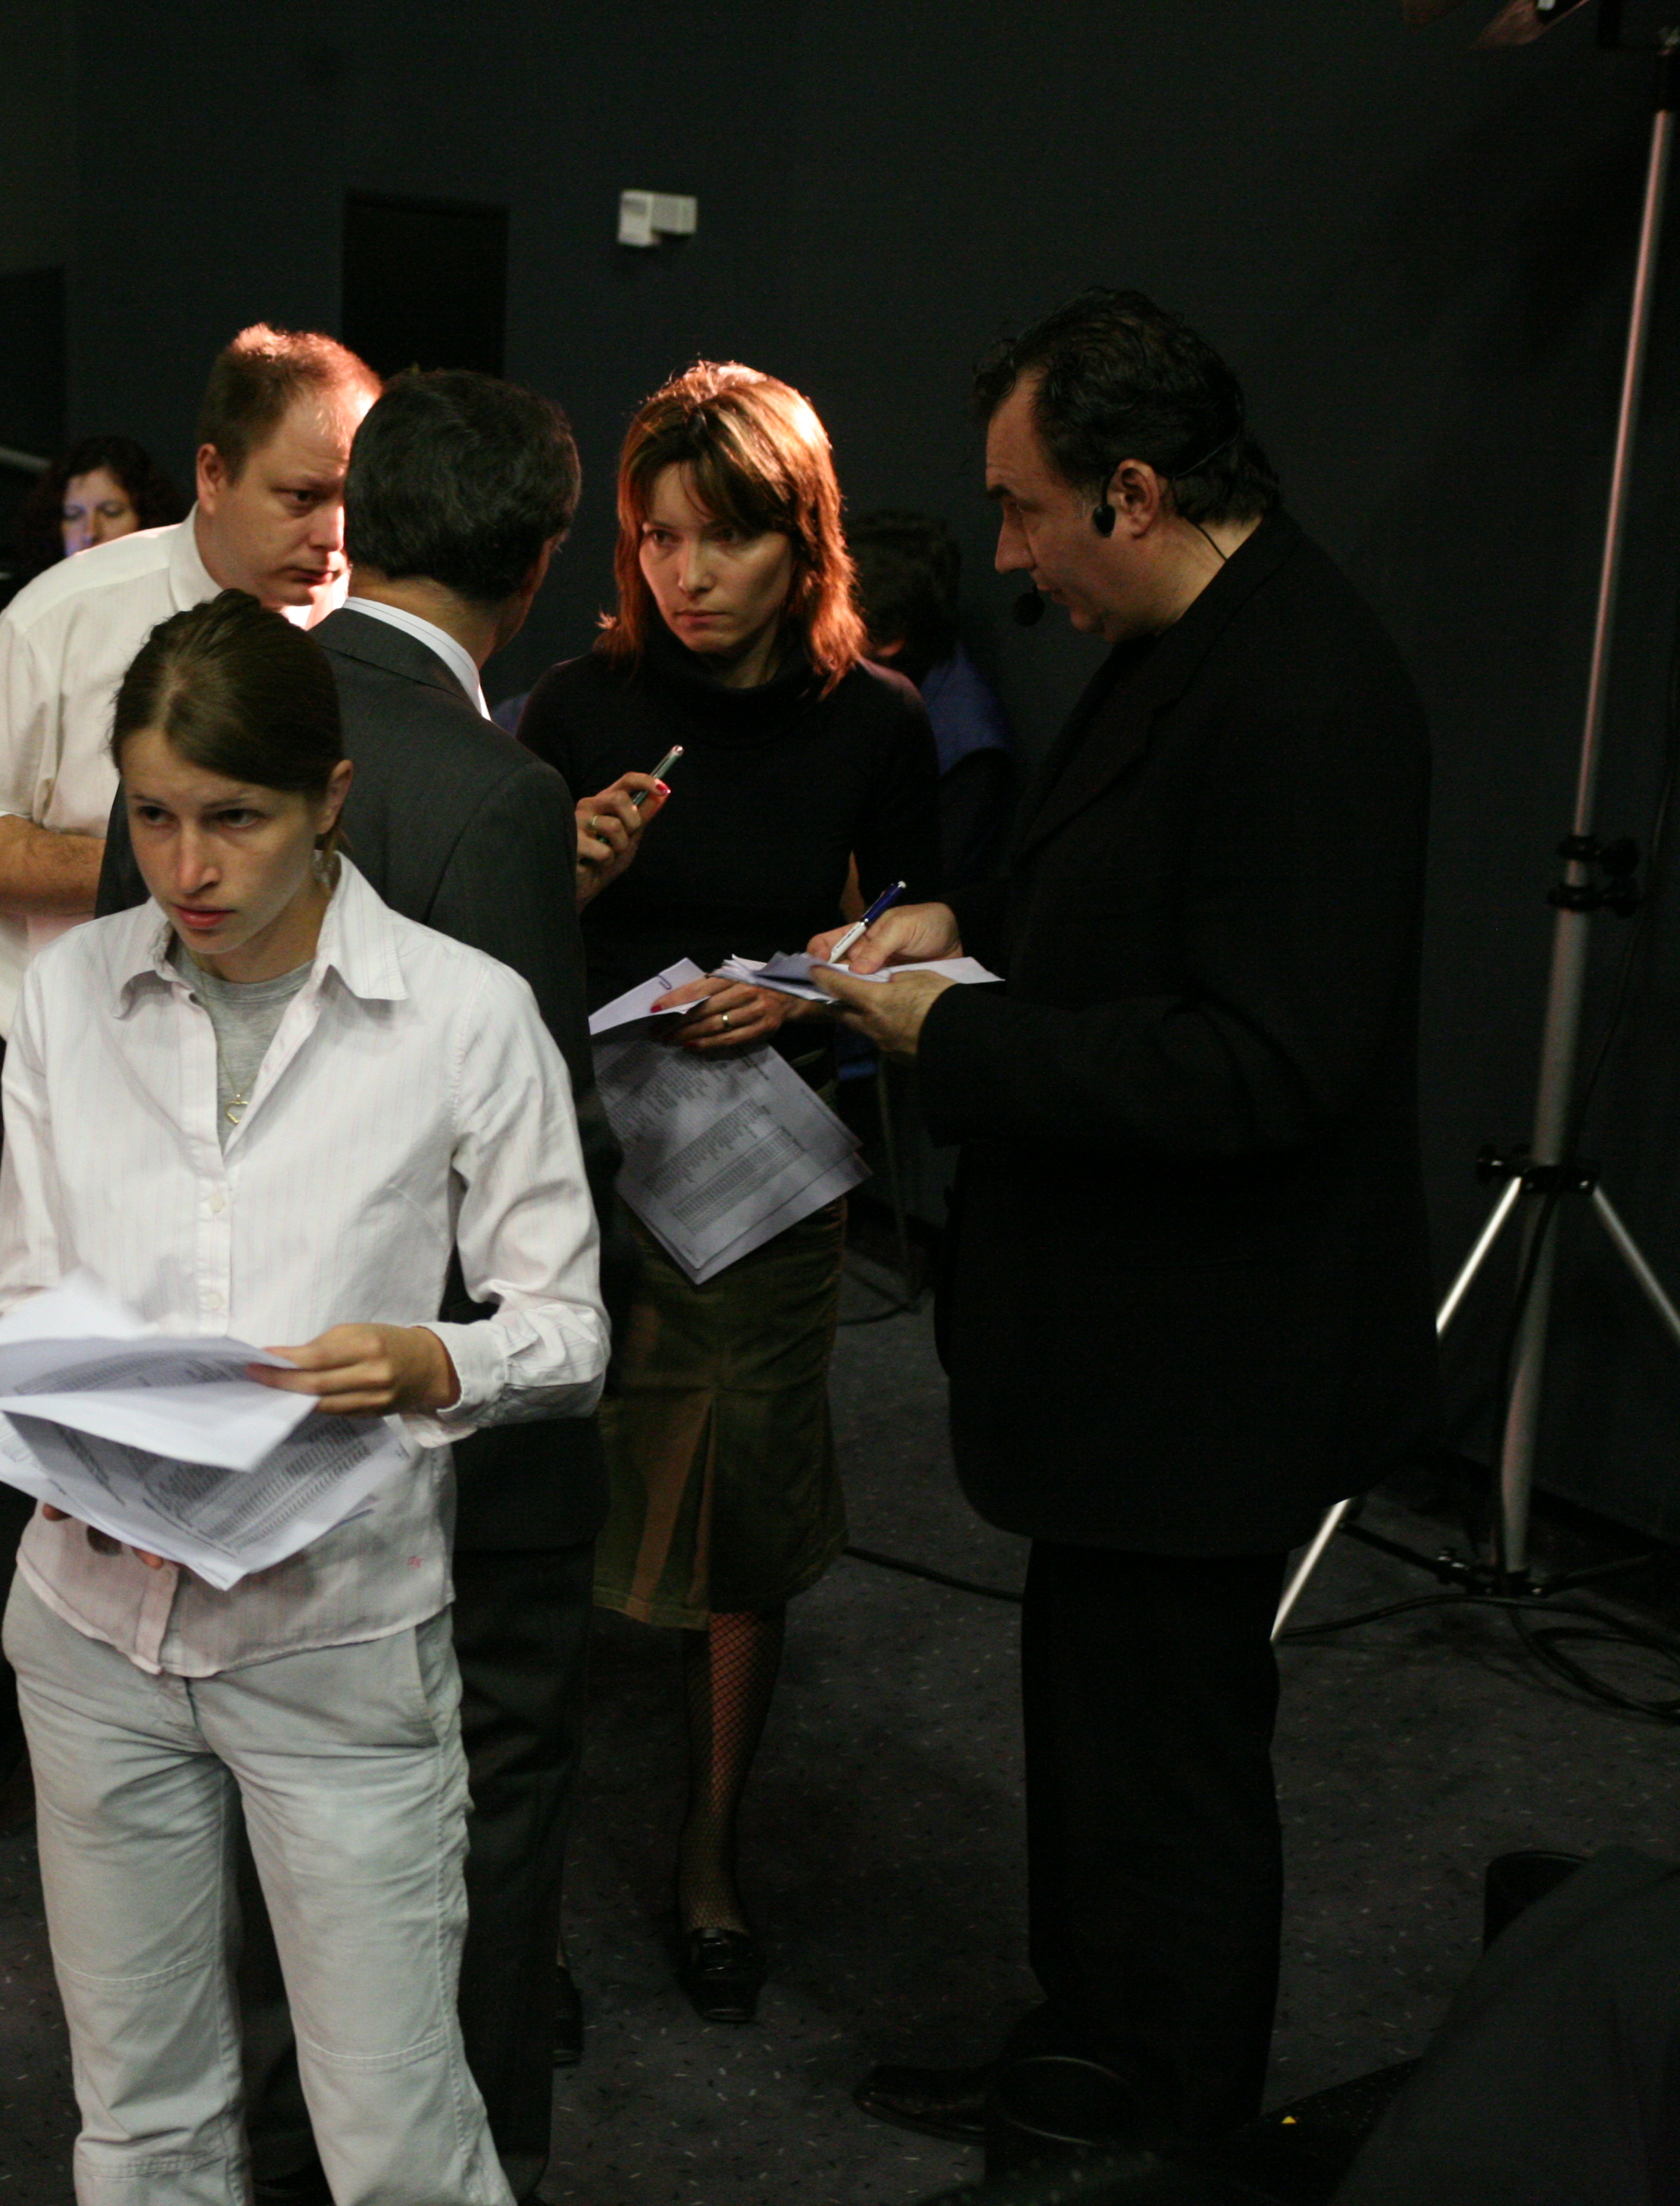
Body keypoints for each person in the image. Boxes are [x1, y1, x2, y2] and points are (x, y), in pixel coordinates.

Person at [820, 289, 1438, 2144]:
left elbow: (1266, 1066)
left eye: (1025, 510)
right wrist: (974, 920)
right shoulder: (1196, 639)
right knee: (1102, 1739)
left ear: (1137, 491)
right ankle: (1085, 2062)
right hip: (1134, 1356)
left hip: (1212, 1364)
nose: (1007, 557)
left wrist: (960, 1035)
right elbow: (1133, 901)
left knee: (1166, 1769)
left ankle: (1162, 2123)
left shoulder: (1305, 691)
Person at [2, 589, 607, 2206]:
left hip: (335, 1641)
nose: (185, 867)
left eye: (233, 818)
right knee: (139, 2118)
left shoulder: (462, 1015)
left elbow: (570, 1328)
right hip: (89, 1632)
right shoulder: (67, 995)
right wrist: (58, 1435)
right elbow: (23, 1297)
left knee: (395, 2139)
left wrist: (437, 1361)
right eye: (150, 817)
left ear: (329, 797)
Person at [0, 326, 380, 1901]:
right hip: (75, 1106)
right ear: (210, 475)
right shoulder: (69, 615)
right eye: (301, 496)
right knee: (14, 1450)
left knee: (274, 1448)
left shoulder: (367, 639)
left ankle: (246, 1796)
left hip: (293, 1111)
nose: (331, 534)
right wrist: (155, 864)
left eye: (353, 499)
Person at [512, 360, 938, 2026]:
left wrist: (814, 983)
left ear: (802, 542)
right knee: (540, 1500)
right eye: (656, 537)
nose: (685, 575)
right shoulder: (580, 706)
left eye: (726, 539)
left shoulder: (875, 720)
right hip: (580, 1154)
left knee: (742, 1514)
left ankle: (708, 1857)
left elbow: (920, 926)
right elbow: (469, 961)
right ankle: (525, 1891)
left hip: (758, 1165)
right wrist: (562, 874)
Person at [846, 508, 1019, 889]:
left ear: (889, 639)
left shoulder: (967, 748)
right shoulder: (894, 680)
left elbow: (911, 897)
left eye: (831, 618)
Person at [17, 433, 185, 569]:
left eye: (111, 513)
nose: (90, 533)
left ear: (146, 518)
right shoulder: (38, 596)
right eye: (73, 515)